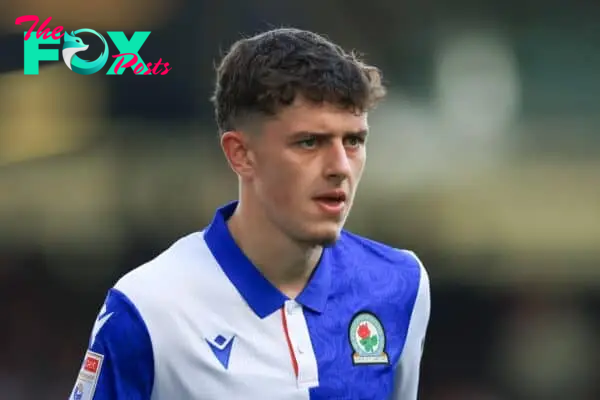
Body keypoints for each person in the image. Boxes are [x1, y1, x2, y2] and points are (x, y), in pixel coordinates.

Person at [68, 27, 430, 400]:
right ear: (240, 154)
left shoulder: (401, 284)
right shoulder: (148, 308)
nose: (340, 166)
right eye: (309, 142)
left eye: (353, 140)